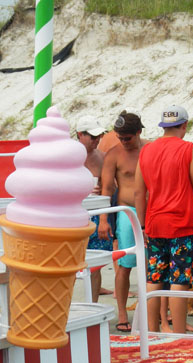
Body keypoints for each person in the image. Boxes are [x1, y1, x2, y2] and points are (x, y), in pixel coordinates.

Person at [134, 105, 193, 334]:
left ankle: (151, 331)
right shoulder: (188, 149)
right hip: (182, 223)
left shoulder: (146, 150)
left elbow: (139, 192)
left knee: (154, 277)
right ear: (184, 125)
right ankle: (179, 334)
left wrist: (143, 223)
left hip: (154, 223)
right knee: (181, 278)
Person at [99, 111, 150, 333]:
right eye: (120, 137)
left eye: (127, 137)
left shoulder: (150, 149)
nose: (123, 142)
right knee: (125, 265)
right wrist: (103, 219)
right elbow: (107, 188)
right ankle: (122, 313)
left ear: (139, 132)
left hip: (151, 210)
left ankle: (152, 311)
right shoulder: (114, 154)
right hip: (127, 211)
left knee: (153, 265)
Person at [76, 115, 110, 302]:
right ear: (80, 135)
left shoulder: (102, 157)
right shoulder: (69, 158)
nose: (97, 140)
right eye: (93, 137)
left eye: (99, 137)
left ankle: (93, 305)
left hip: (96, 213)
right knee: (71, 264)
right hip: (75, 214)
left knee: (95, 265)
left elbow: (109, 188)